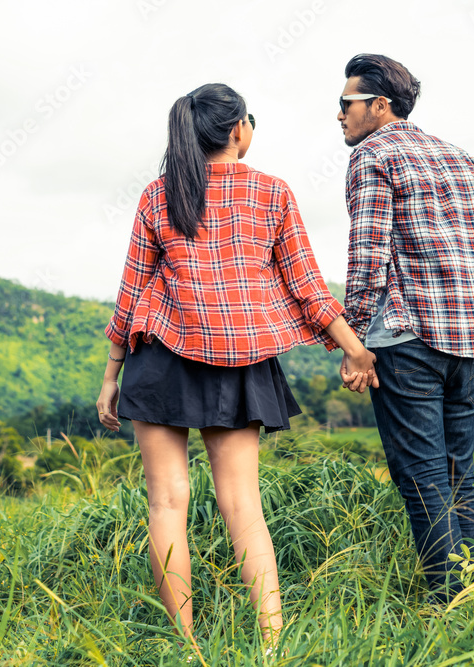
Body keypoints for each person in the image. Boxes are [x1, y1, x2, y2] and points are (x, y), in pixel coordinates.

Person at [96, 83, 377, 648]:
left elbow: (131, 291)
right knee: (242, 501)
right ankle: (272, 641)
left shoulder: (159, 195)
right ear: (237, 131)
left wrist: (110, 376)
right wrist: (354, 347)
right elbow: (306, 287)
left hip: (160, 357)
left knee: (166, 501)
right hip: (240, 359)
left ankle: (185, 644)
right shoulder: (272, 194)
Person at [336, 54, 474, 602]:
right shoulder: (461, 158)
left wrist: (354, 342)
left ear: (379, 106)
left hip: (407, 341)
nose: (338, 115)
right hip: (468, 339)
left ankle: (448, 602)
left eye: (346, 104)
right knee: (460, 473)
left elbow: (368, 257)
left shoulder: (372, 156)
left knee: (422, 478)